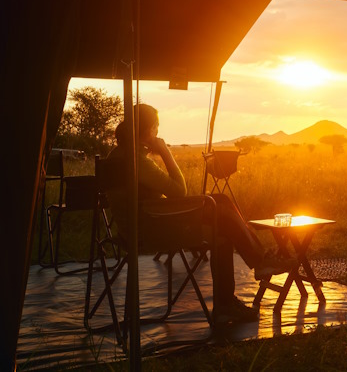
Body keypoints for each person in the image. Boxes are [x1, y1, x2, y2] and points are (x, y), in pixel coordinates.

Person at [108, 103, 293, 324]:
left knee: (221, 217)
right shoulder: (137, 161)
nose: (158, 132)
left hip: (139, 226)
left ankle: (245, 280)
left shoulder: (117, 155)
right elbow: (179, 191)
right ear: (149, 131)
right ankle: (249, 275)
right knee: (220, 216)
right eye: (157, 127)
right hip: (152, 230)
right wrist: (165, 152)